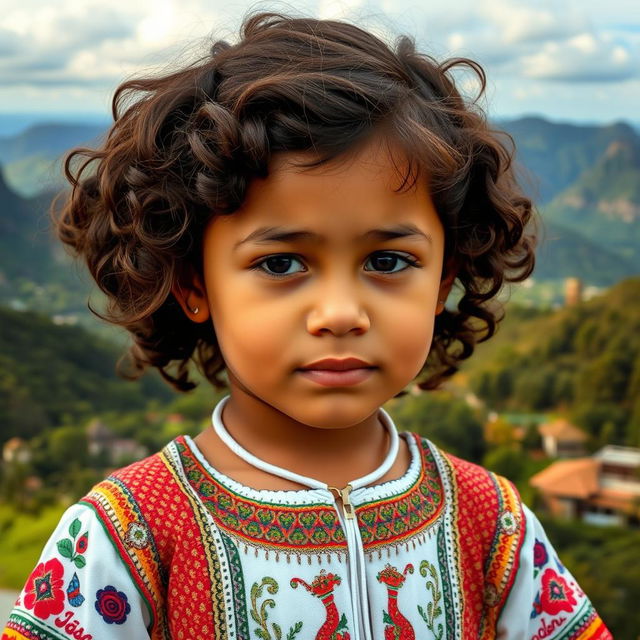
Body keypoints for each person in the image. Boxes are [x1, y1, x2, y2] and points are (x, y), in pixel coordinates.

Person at [2, 12, 611, 640]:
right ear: (192, 284)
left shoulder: (493, 526)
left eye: (388, 261)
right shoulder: (124, 539)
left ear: (443, 279)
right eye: (282, 263)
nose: (342, 313)